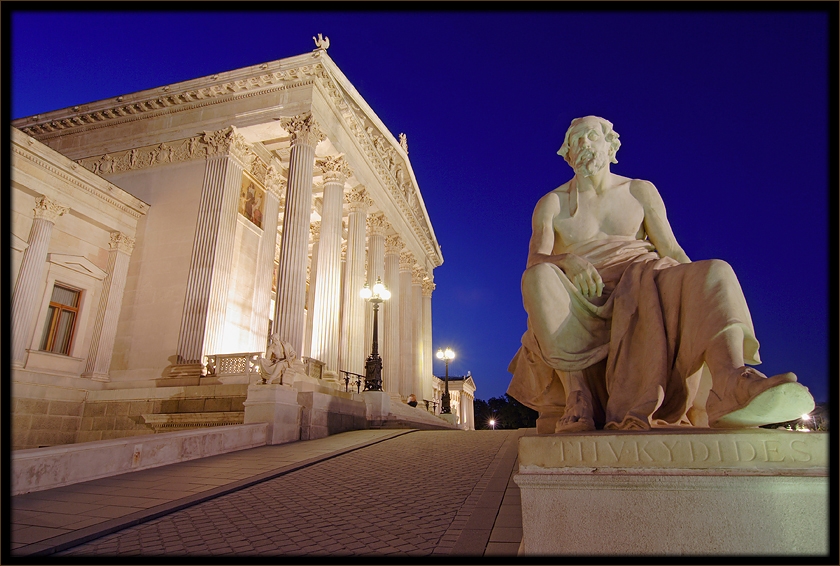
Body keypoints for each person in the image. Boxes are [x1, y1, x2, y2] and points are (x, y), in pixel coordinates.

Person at [507, 116, 813, 433]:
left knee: (716, 271)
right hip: (580, 294)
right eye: (575, 140)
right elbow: (535, 259)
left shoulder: (639, 191)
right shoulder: (552, 203)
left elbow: (671, 249)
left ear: (610, 145)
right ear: (567, 154)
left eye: (591, 136)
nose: (583, 144)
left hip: (642, 279)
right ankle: (578, 396)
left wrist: (696, 289)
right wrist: (567, 259)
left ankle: (731, 380)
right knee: (538, 277)